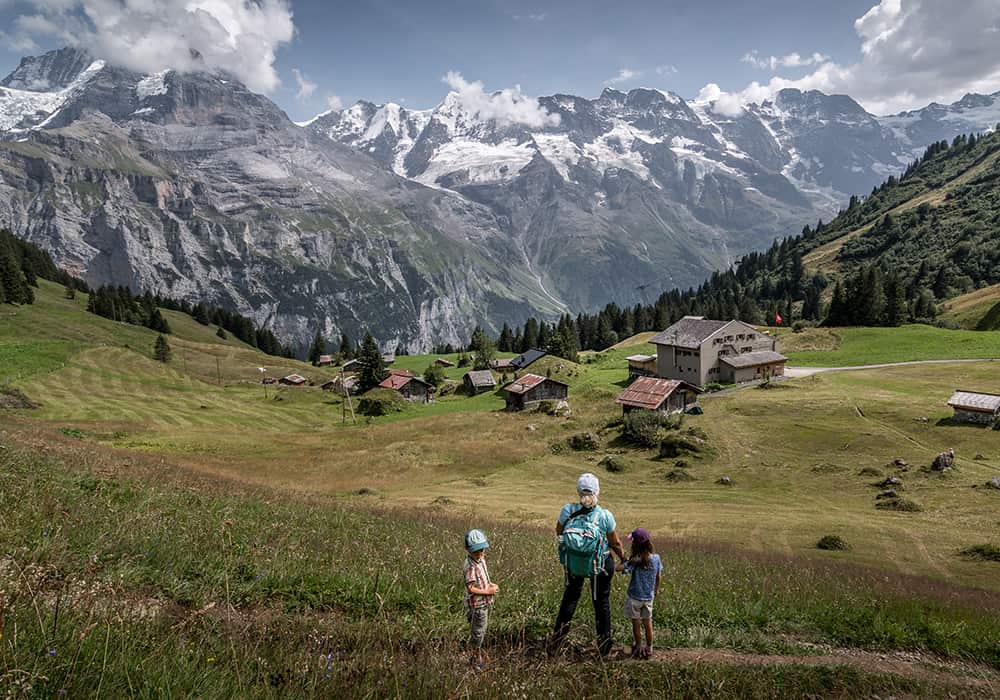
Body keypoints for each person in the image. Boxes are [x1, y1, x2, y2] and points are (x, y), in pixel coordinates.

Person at [550, 473, 625, 656]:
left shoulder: (567, 510)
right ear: (597, 492)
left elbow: (559, 531)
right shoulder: (605, 515)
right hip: (600, 564)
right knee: (601, 603)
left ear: (578, 491)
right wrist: (624, 558)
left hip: (573, 563)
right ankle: (604, 645)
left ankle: (557, 643)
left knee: (569, 599)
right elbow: (614, 542)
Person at [615, 527, 663, 659]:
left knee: (636, 624)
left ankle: (638, 647)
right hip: (648, 597)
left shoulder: (635, 561)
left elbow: (617, 569)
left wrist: (627, 561)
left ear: (635, 544)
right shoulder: (656, 559)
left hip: (634, 598)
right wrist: (656, 589)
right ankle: (649, 649)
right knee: (648, 624)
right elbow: (658, 576)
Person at [463, 528, 499, 669]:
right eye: (475, 551)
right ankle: (475, 659)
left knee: (479, 629)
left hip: (483, 602)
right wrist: (487, 591)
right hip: (477, 605)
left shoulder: (481, 560)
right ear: (467, 549)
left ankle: (475, 654)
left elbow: (483, 576)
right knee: (478, 632)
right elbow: (470, 588)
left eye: (481, 550)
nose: (479, 554)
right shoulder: (469, 566)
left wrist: (490, 584)